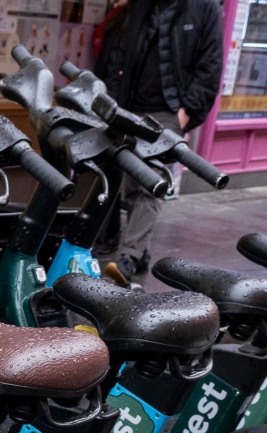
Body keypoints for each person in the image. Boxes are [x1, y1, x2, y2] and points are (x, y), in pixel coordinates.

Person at [93, 0, 224, 277]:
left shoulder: (204, 8)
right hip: (129, 108)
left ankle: (128, 256)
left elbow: (210, 65)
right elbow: (120, 56)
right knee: (129, 185)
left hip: (168, 112)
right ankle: (141, 252)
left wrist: (185, 113)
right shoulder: (141, 6)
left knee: (150, 183)